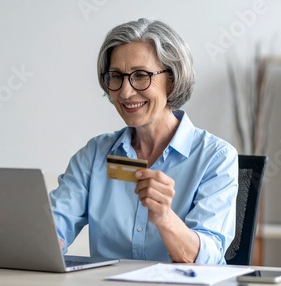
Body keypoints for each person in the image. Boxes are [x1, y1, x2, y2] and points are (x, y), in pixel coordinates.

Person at [50, 18, 238, 264]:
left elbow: (207, 262)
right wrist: (42, 242)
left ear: (172, 79)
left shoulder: (216, 158)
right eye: (116, 76)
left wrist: (164, 217)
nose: (125, 92)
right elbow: (53, 230)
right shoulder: (94, 155)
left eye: (140, 75)